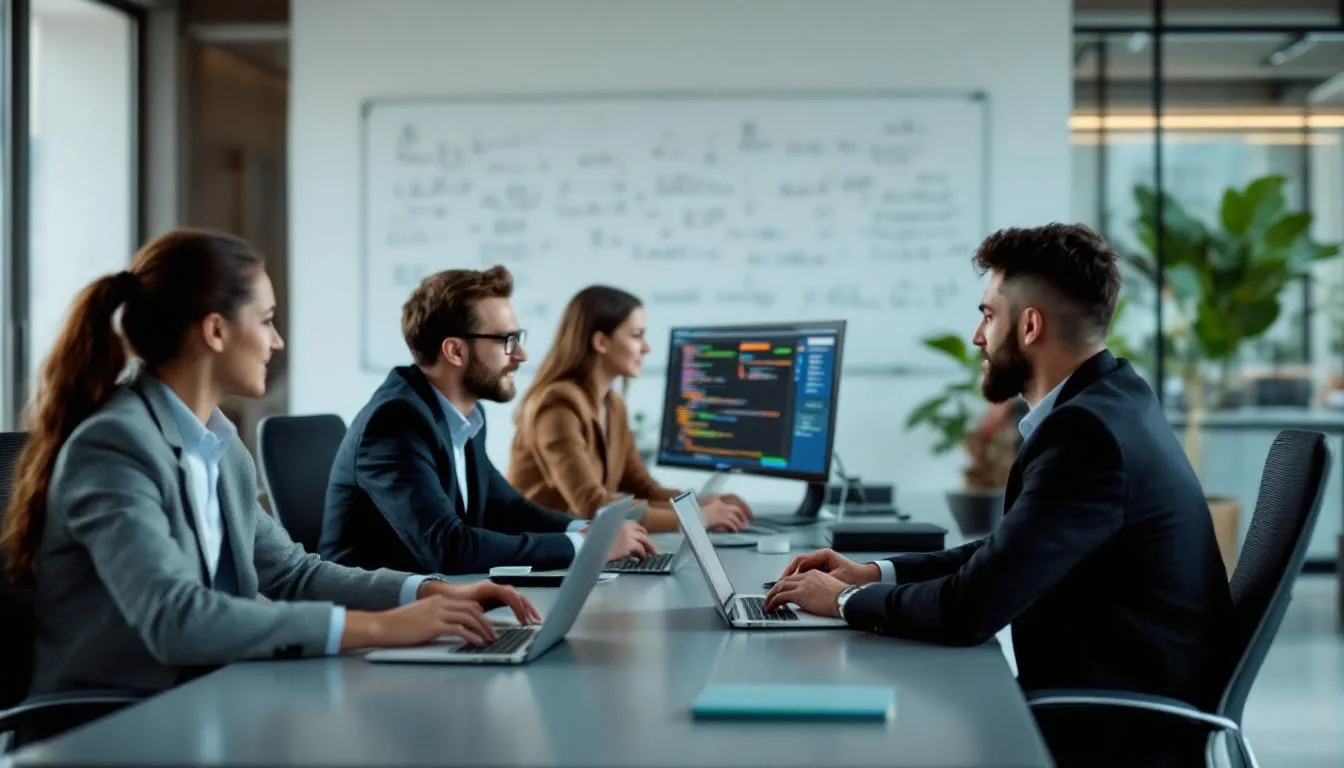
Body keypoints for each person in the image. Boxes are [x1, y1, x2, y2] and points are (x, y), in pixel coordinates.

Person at [764, 224, 1233, 762]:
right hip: (1112, 696)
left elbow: (971, 608)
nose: (976, 336)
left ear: (1030, 326)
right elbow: (1008, 553)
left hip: (1117, 728)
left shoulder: (1088, 436)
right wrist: (873, 574)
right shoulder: (1113, 399)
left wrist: (843, 601)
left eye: (988, 314)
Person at [0, 229, 539, 697]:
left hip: (212, 696)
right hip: (114, 724)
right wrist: (382, 629)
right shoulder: (116, 446)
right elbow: (176, 618)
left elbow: (291, 572)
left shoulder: (219, 445)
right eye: (267, 320)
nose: (277, 341)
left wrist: (426, 592)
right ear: (215, 331)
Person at [321, 266, 655, 575]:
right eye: (507, 341)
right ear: (455, 351)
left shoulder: (466, 415)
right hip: (377, 618)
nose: (521, 356)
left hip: (441, 600)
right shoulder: (395, 422)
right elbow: (449, 548)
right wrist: (585, 546)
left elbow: (507, 509)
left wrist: (584, 531)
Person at [508, 286, 753, 533]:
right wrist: (697, 518)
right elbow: (592, 505)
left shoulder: (613, 406)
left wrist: (700, 503)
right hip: (539, 555)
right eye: (636, 335)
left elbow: (643, 488)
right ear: (601, 342)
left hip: (583, 550)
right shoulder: (558, 406)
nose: (646, 348)